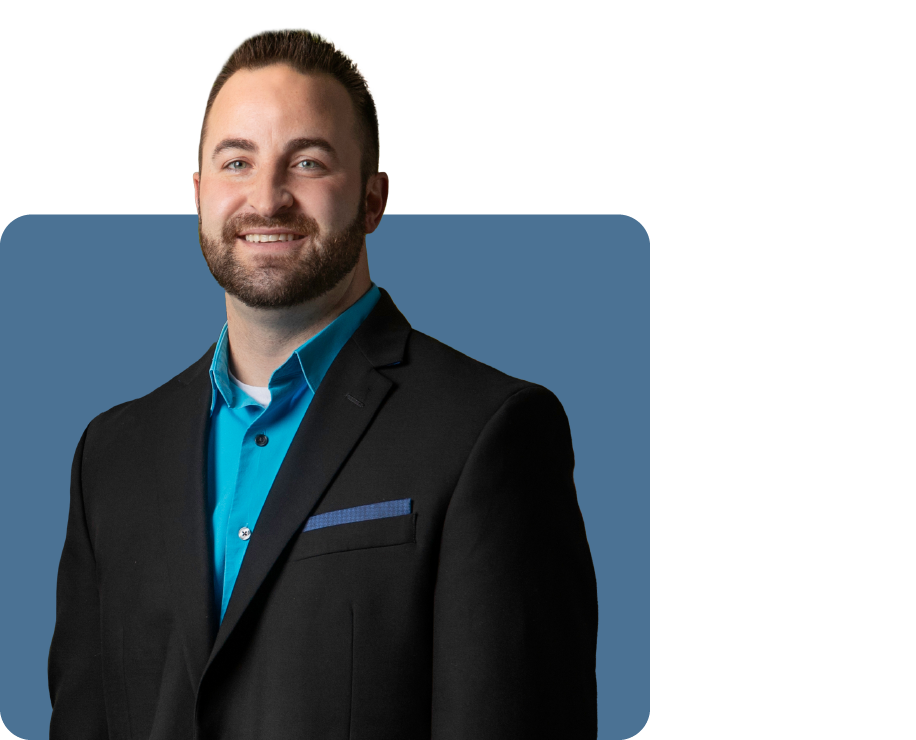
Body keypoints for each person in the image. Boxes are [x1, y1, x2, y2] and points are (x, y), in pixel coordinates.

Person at [47, 27, 598, 740]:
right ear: (197, 193)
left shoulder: (489, 432)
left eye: (307, 162)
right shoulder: (111, 456)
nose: (267, 197)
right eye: (236, 161)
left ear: (373, 199)